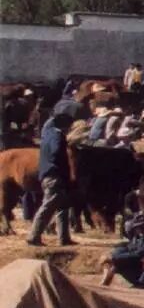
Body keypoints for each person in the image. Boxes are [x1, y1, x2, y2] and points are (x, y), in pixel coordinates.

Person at [28, 100, 78, 247]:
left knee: (63, 207)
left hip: (48, 174)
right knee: (48, 206)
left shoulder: (47, 133)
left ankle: (64, 238)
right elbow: (56, 152)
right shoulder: (57, 135)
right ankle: (33, 236)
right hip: (55, 175)